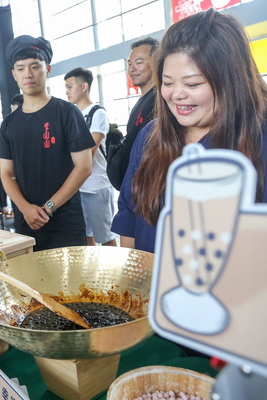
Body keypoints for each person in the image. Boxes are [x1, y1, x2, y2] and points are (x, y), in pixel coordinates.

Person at [112, 9, 267, 253]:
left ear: (231, 80)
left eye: (192, 83)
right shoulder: (150, 137)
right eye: (168, 82)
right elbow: (130, 215)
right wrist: (134, 280)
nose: (176, 94)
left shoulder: (260, 138)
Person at [0, 35, 95, 251]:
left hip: (65, 222)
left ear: (47, 69)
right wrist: (25, 208)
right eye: (20, 68)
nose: (28, 74)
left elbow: (84, 166)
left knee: (73, 284)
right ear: (14, 74)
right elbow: (6, 173)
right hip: (26, 224)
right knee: (31, 283)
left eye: (34, 66)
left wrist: (48, 207)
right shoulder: (9, 124)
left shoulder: (67, 112)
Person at [64, 67, 116, 246]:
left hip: (96, 186)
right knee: (86, 238)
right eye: (66, 87)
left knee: (105, 237)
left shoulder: (97, 113)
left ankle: (114, 273)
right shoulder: (73, 114)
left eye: (70, 87)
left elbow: (90, 151)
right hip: (78, 187)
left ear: (84, 86)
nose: (67, 91)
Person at [110, 37, 160, 191]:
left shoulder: (159, 100)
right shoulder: (142, 101)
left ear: (156, 63)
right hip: (134, 189)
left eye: (139, 62)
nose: (132, 69)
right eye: (130, 64)